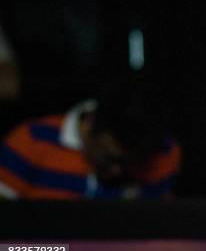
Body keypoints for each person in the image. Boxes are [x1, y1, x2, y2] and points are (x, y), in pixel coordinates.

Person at [0, 81, 181, 200]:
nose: (117, 171)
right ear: (90, 124)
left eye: (131, 163)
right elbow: (6, 250)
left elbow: (164, 240)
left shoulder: (163, 153)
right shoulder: (31, 142)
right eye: (110, 159)